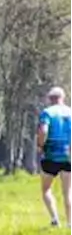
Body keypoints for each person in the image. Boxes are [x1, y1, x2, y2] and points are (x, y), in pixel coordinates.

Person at [37, 86, 72, 227]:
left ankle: (54, 218)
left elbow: (43, 130)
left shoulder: (47, 113)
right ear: (62, 98)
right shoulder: (70, 112)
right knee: (68, 191)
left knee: (46, 189)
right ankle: (70, 222)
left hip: (50, 155)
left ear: (50, 99)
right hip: (67, 156)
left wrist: (40, 144)